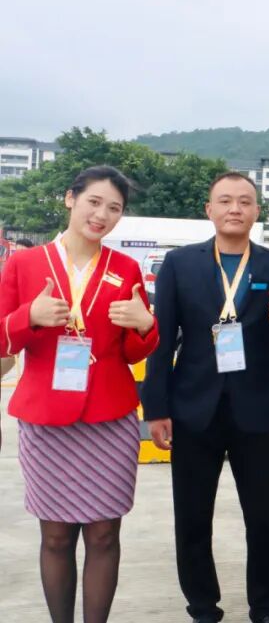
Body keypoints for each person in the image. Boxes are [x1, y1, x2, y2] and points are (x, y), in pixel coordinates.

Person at [141, 172, 269, 623]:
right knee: (193, 518)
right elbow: (161, 339)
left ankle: (265, 607)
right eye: (225, 201)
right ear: (209, 209)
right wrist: (155, 409)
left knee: (264, 518)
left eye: (244, 201)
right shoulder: (180, 264)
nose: (235, 208)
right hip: (193, 410)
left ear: (257, 211)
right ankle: (202, 607)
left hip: (258, 410)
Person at [0, 165, 159, 623]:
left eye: (114, 208)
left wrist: (146, 325)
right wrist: (28, 316)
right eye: (94, 202)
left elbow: (133, 351)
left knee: (105, 535)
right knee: (55, 537)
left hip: (109, 419)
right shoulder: (24, 264)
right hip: (46, 419)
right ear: (70, 199)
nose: (102, 215)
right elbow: (3, 342)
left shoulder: (125, 268)